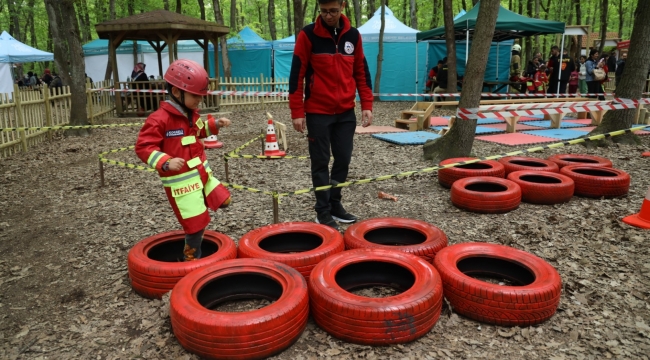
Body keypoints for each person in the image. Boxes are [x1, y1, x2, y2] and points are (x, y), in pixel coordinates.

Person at [135, 59, 232, 261]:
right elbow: (144, 147)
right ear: (177, 92)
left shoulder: (190, 114)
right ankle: (191, 255)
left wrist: (215, 125)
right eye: (196, 96)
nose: (200, 100)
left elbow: (198, 131)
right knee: (196, 223)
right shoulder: (159, 119)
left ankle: (205, 200)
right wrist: (165, 161)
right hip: (183, 184)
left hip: (203, 175)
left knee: (225, 199)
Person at [289, 0, 373, 230]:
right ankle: (322, 210)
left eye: (333, 11)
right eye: (324, 11)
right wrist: (297, 111)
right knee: (320, 162)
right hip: (317, 112)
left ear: (342, 6)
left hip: (346, 112)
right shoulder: (307, 35)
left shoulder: (353, 36)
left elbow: (361, 72)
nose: (328, 16)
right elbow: (296, 73)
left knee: (343, 159)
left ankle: (335, 204)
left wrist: (367, 104)